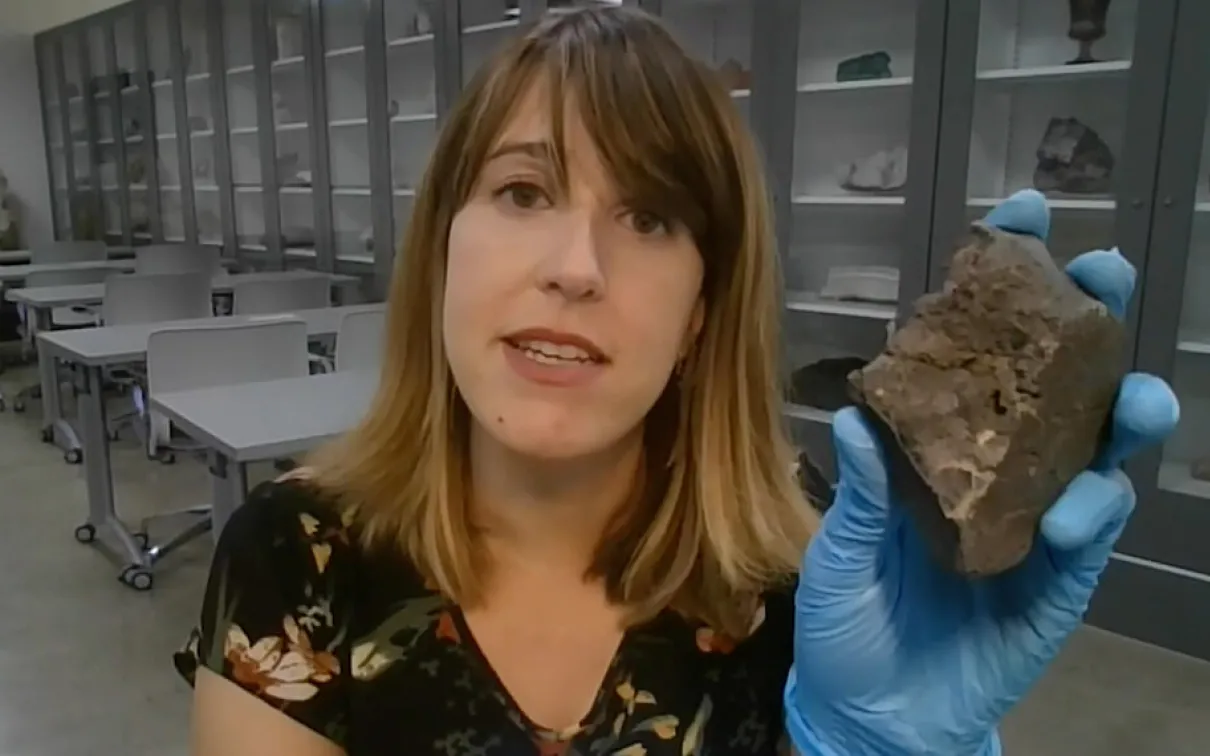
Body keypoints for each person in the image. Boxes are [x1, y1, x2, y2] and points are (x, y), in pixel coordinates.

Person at [174, 6, 1179, 755]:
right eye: (522, 191)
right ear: (442, 248)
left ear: (702, 310)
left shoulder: (809, 577)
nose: (575, 265)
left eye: (649, 218)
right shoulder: (296, 556)